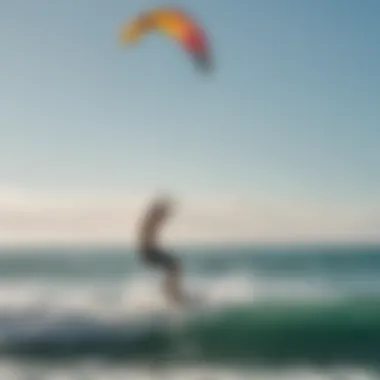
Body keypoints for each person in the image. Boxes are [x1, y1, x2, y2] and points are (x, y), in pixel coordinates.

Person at [137, 196, 186, 305]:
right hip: (149, 251)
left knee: (174, 267)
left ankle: (173, 294)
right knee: (174, 266)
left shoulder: (152, 219)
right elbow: (147, 233)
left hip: (149, 251)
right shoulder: (152, 218)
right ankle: (173, 295)